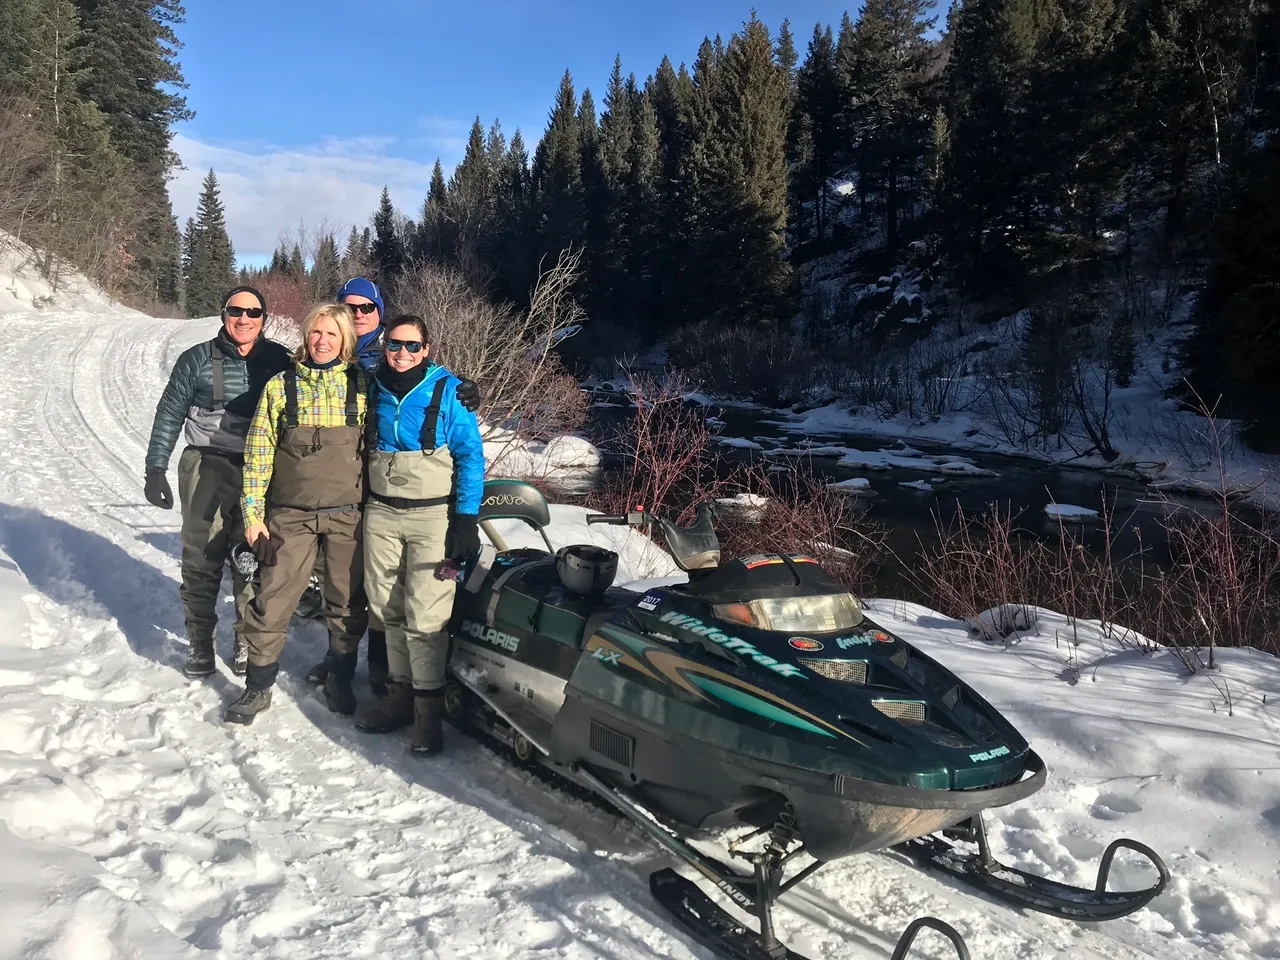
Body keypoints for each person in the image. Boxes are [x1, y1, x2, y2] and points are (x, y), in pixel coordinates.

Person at [303, 277, 482, 696]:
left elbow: (465, 447)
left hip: (413, 503)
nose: (358, 315)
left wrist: (467, 389)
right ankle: (351, 666)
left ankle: (400, 683)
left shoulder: (404, 370)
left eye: (367, 307)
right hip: (358, 494)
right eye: (350, 308)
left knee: (407, 597)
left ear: (379, 313)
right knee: (356, 586)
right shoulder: (335, 353)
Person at [224, 303, 371, 725]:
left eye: (331, 334)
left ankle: (339, 675)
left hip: (348, 516)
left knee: (346, 602)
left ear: (346, 341)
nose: (321, 341)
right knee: (271, 601)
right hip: (290, 516)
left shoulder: (364, 386)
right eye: (315, 333)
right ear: (306, 336)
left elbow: (409, 397)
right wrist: (253, 518)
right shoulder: (279, 387)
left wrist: (457, 388)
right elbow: (257, 458)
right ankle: (257, 687)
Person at [353, 315, 484, 754]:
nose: (402, 353)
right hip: (382, 513)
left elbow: (470, 456)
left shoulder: (449, 392)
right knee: (387, 606)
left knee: (426, 615)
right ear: (384, 345)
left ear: (426, 349)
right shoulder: (372, 387)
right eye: (395, 344)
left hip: (432, 518)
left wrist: (466, 519)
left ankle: (428, 715)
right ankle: (399, 697)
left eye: (412, 346)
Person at [144, 286, 291, 678]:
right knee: (201, 557)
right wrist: (155, 467)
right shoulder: (196, 359)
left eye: (253, 312)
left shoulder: (280, 360)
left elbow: (326, 385)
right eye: (235, 310)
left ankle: (245, 640)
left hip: (260, 471)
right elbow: (169, 413)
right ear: (223, 313)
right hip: (205, 466)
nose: (244, 318)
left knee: (250, 556)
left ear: (264, 318)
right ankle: (199, 643)